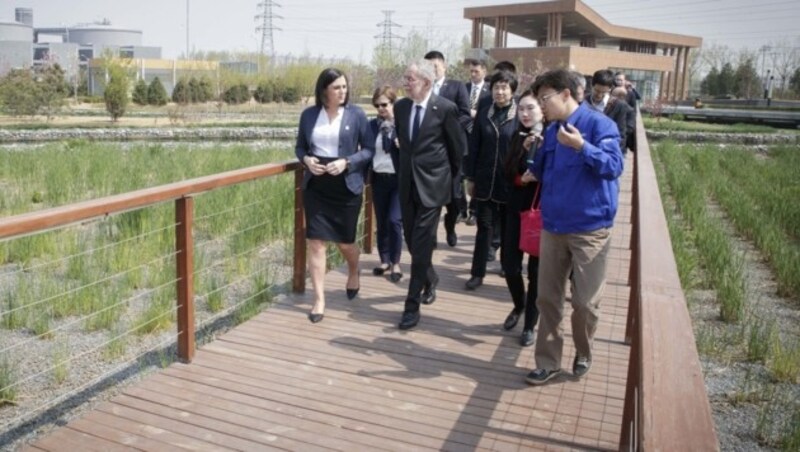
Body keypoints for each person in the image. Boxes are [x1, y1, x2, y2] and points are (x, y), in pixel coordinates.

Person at [525, 69, 623, 384]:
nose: (541, 106)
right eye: (539, 100)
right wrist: (532, 150)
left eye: (545, 99)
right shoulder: (551, 132)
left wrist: (583, 147)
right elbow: (540, 174)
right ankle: (548, 361)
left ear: (566, 94)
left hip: (590, 228)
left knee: (585, 302)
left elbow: (614, 166)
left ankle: (584, 351)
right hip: (553, 226)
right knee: (548, 297)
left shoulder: (599, 125)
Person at [295, 68, 374, 324]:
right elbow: (299, 146)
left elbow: (370, 150)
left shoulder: (356, 114)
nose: (343, 91)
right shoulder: (308, 115)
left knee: (344, 242)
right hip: (317, 185)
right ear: (323, 91)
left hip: (346, 185)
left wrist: (347, 162)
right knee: (316, 242)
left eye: (344, 87)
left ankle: (353, 269)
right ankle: (319, 299)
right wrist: (306, 159)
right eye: (337, 87)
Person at [394, 59, 466, 330]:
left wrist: (450, 184)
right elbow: (401, 144)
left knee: (421, 244)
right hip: (407, 186)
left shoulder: (445, 109)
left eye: (409, 79)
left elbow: (458, 150)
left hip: (433, 188)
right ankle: (430, 277)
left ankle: (411, 307)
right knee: (413, 243)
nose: (405, 83)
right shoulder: (401, 108)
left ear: (425, 82)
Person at [463, 70, 519, 291]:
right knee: (483, 227)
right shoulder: (484, 113)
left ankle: (507, 266)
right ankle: (477, 273)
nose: (500, 91)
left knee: (507, 228)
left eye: (504, 87)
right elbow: (473, 147)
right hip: (485, 180)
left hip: (509, 182)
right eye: (496, 87)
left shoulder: (519, 116)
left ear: (512, 91)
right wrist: (470, 177)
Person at [501, 89, 543, 347]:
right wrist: (520, 174)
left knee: (536, 271)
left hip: (540, 211)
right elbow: (507, 171)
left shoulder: (553, 135)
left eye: (531, 108)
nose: (525, 113)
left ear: (543, 110)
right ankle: (519, 304)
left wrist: (540, 174)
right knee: (509, 265)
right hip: (516, 208)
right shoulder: (516, 135)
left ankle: (529, 325)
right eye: (522, 108)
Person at [424, 51, 471, 247]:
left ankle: (450, 227)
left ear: (444, 66)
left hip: (452, 150)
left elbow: (466, 114)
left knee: (453, 198)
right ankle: (432, 236)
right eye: (429, 67)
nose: (433, 70)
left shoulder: (457, 86)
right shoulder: (423, 88)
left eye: (435, 66)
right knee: (431, 197)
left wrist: (446, 129)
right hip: (429, 151)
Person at [367, 86, 403, 283]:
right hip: (379, 178)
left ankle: (396, 262)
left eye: (384, 104)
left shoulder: (402, 125)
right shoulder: (372, 126)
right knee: (381, 221)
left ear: (393, 103)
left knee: (394, 220)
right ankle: (384, 259)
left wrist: (403, 144)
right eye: (377, 105)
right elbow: (365, 148)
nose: (381, 109)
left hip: (398, 179)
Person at [464, 58, 491, 227]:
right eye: (471, 71)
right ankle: (461, 208)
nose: (473, 74)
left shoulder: (489, 92)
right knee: (462, 173)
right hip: (464, 134)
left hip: (481, 136)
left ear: (484, 72)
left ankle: (473, 211)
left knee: (475, 174)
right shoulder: (463, 89)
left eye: (477, 71)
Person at [587, 69, 628, 150]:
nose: (599, 95)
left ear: (610, 89)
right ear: (592, 85)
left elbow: (620, 134)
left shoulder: (619, 106)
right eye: (597, 91)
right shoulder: (583, 102)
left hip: (606, 151)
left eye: (603, 92)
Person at [614, 72, 640, 152]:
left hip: (624, 128)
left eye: (621, 80)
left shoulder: (630, 94)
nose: (619, 82)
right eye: (617, 80)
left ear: (625, 81)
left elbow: (633, 111)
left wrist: (628, 129)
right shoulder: (610, 92)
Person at [611, 86, 634, 154]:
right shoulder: (610, 107)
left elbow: (630, 128)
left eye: (613, 96)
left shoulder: (630, 111)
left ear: (621, 97)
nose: (611, 97)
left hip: (621, 145)